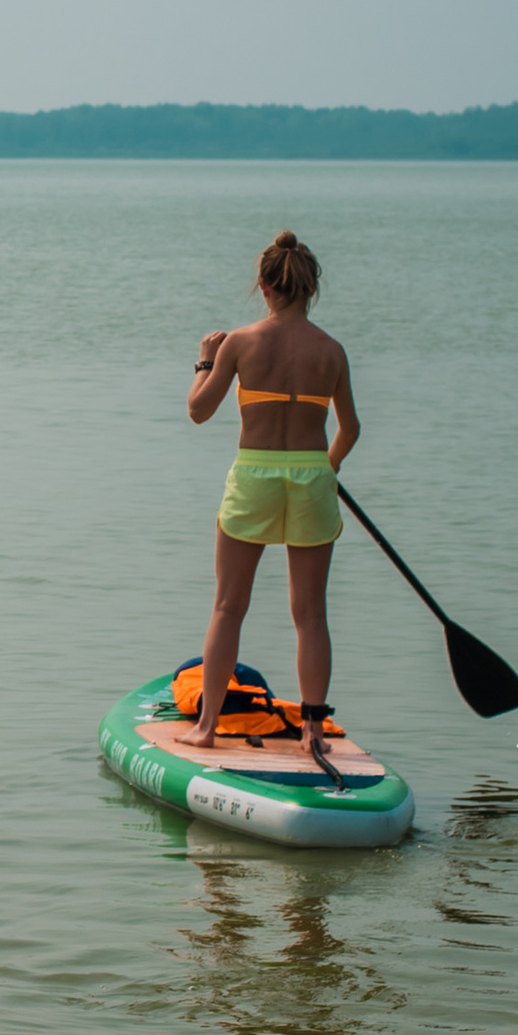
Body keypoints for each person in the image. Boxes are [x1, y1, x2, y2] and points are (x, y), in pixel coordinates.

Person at [183, 229, 361, 750]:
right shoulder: (331, 351)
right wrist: (326, 468)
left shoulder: (239, 342)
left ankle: (206, 728)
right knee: (310, 615)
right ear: (310, 289)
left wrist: (204, 360)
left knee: (227, 607)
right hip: (311, 476)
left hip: (255, 476)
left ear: (264, 285)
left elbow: (198, 411)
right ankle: (312, 733)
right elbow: (349, 429)